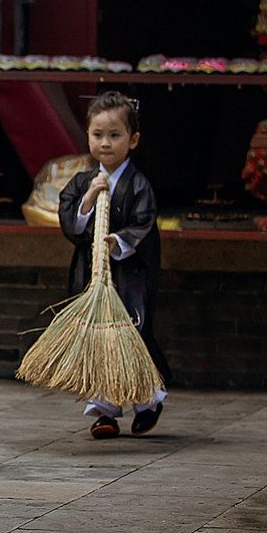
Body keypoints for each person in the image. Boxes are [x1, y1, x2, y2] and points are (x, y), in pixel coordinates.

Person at [57, 91, 171, 439]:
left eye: (115, 135)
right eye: (97, 135)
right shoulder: (80, 183)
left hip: (129, 276)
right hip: (94, 276)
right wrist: (89, 198)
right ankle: (104, 411)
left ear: (133, 139)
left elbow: (144, 224)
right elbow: (70, 224)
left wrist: (118, 242)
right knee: (99, 342)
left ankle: (147, 402)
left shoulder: (138, 185)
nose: (105, 143)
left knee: (132, 339)